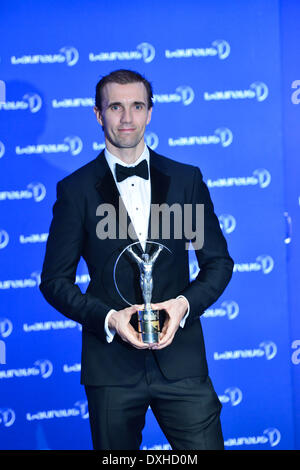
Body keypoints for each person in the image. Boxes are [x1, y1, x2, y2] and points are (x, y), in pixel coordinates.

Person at [40, 69, 234, 450]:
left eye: (136, 106)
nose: (127, 118)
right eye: (116, 107)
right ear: (98, 114)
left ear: (149, 112)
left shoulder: (184, 180)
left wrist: (182, 307)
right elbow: (55, 281)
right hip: (110, 366)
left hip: (181, 363)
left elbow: (218, 263)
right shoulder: (76, 190)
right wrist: (109, 318)